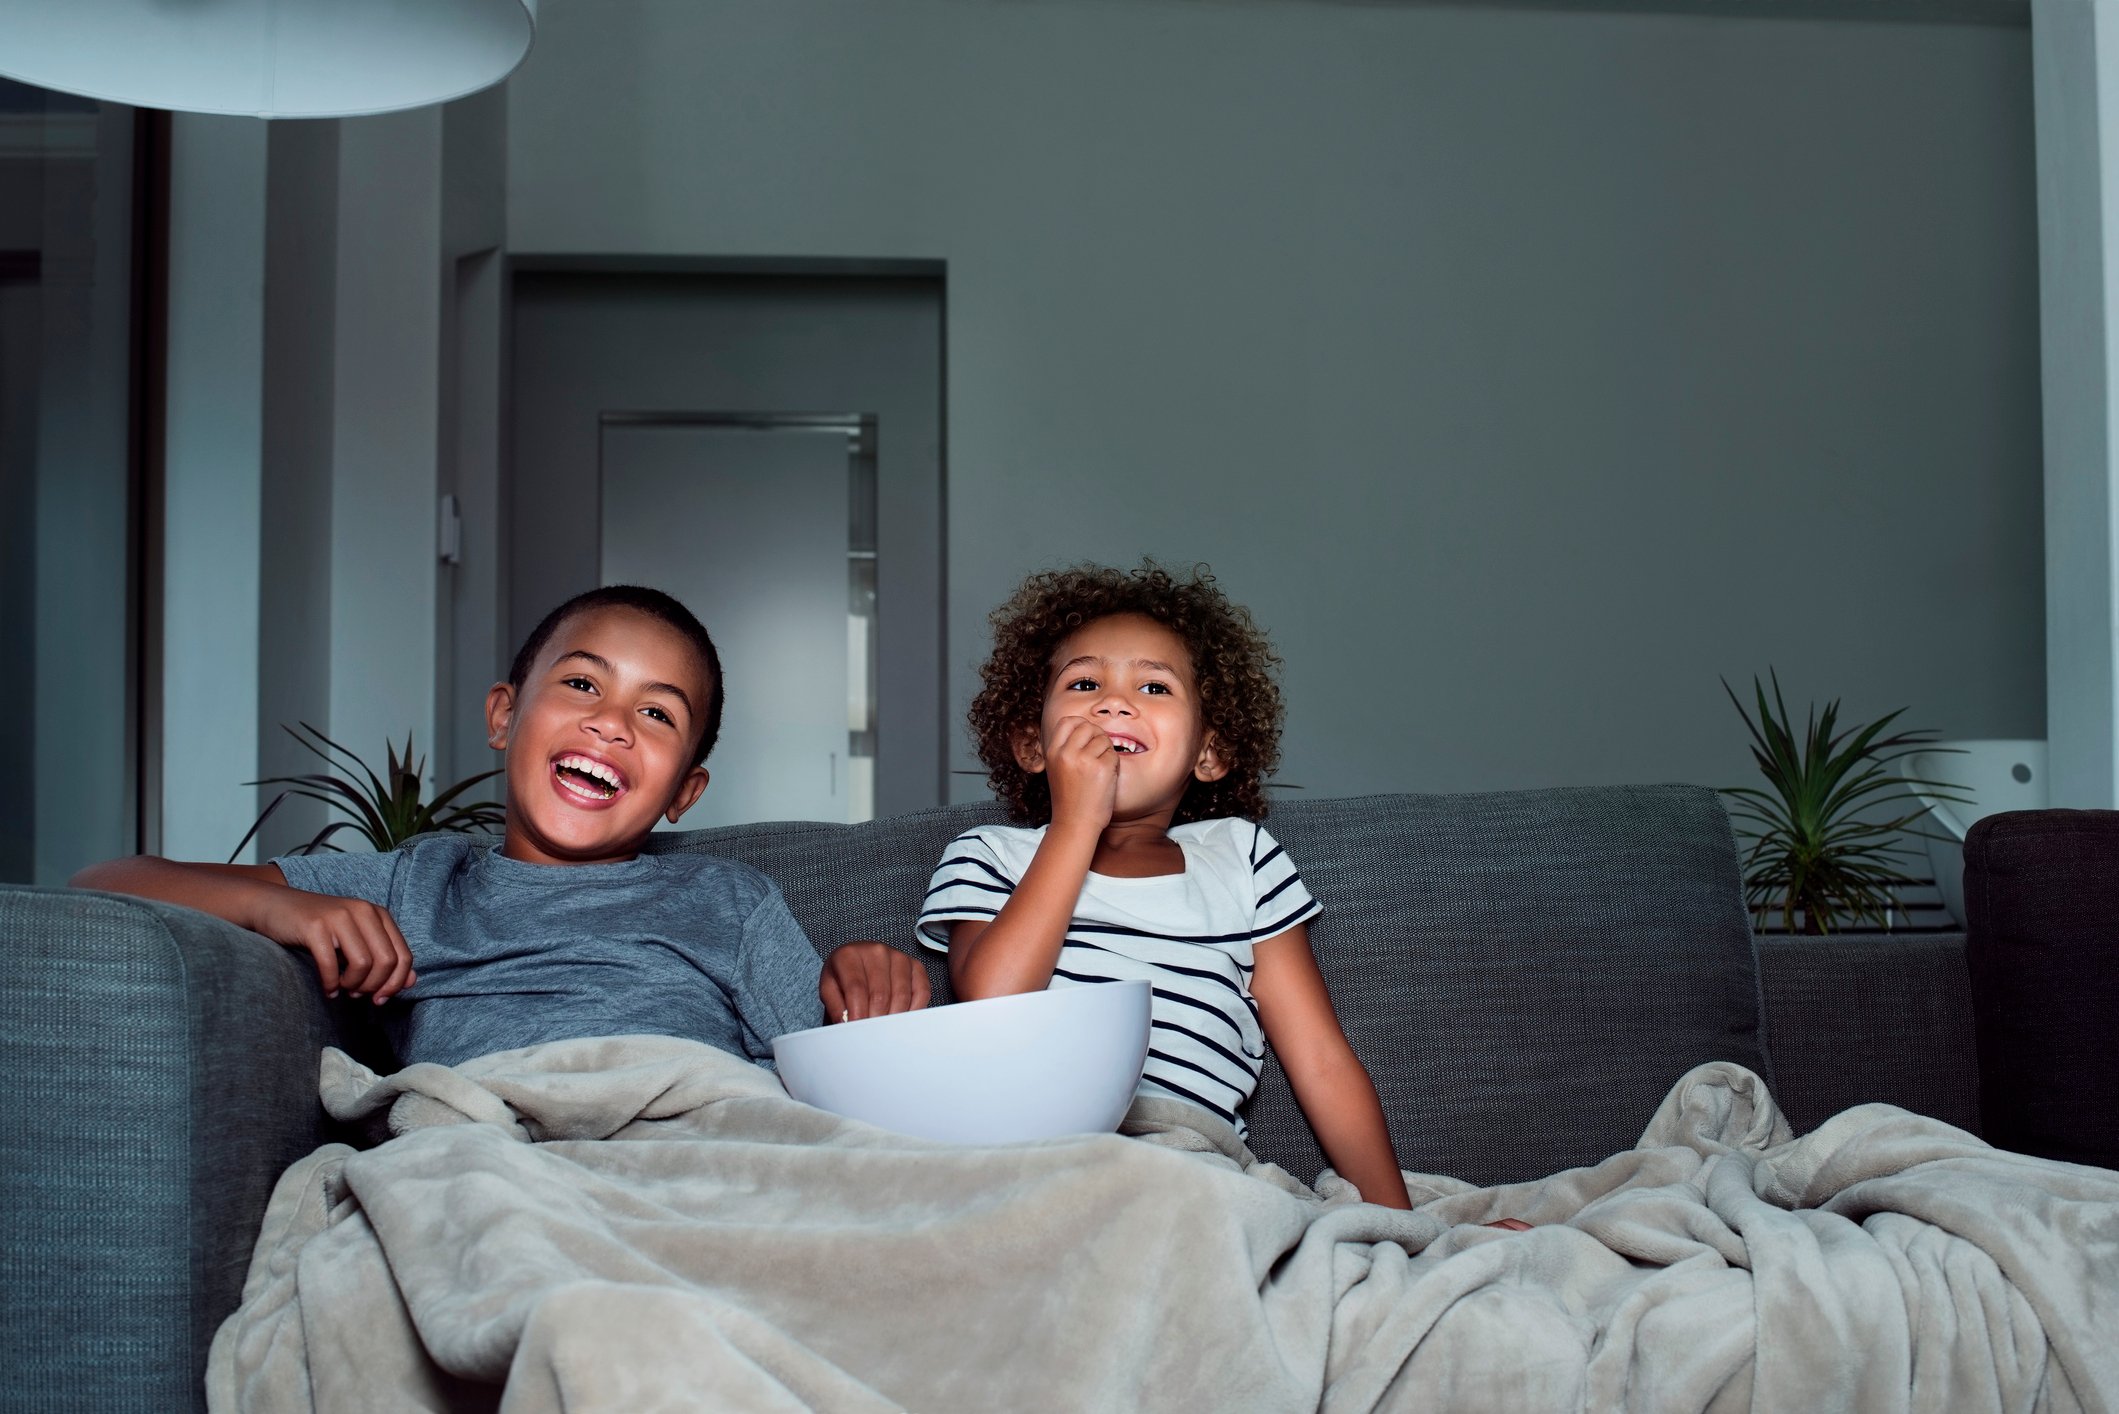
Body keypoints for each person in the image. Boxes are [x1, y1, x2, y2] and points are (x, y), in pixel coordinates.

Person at [73, 585, 927, 1070]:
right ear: (503, 717)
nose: (612, 724)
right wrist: (282, 907)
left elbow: (837, 1080)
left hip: (684, 1141)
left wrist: (864, 980)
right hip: (487, 1154)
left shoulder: (725, 900)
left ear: (684, 793)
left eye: (657, 715)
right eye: (583, 686)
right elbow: (109, 882)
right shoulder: (420, 881)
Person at [919, 562, 1416, 1209]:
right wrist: (1076, 822)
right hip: (1034, 1156)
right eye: (1085, 682)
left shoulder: (1239, 857)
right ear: (1031, 745)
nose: (1114, 702)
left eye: (1153, 687)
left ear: (1206, 753)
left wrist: (1404, 1228)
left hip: (1192, 1167)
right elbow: (992, 1004)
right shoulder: (992, 856)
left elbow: (1320, 1059)